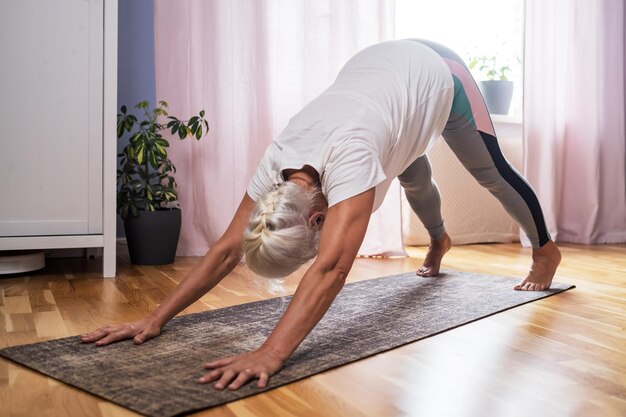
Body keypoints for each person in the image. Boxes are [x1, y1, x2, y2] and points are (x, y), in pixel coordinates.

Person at [81, 39, 561, 391]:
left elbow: (331, 267)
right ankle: (440, 240)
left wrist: (271, 352)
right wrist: (155, 318)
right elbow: (228, 248)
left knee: (489, 172)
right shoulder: (278, 163)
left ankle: (545, 250)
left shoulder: (351, 158)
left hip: (437, 72)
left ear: (316, 221)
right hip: (379, 87)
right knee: (413, 177)